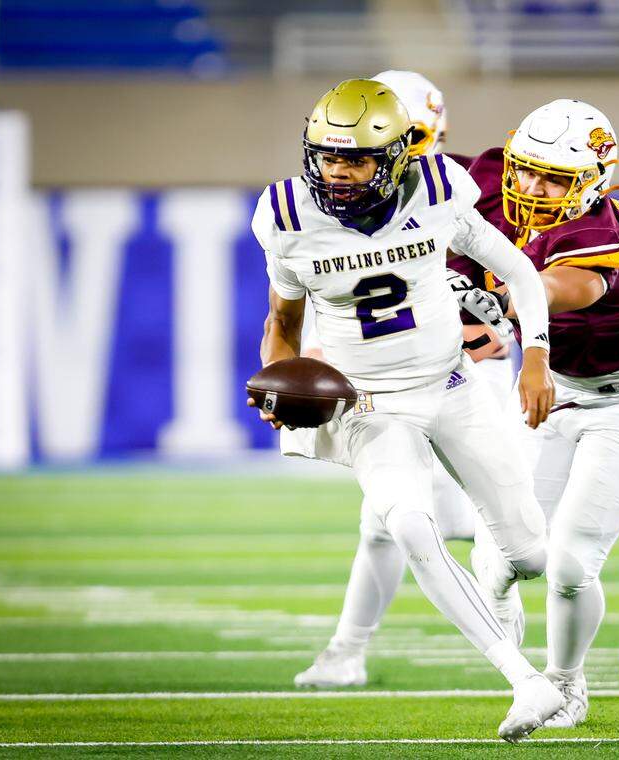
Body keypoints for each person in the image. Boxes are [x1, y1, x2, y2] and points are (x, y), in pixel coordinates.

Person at [248, 79, 564, 741]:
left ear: (395, 157)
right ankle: (524, 680)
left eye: (356, 158)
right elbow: (283, 319)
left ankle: (512, 622)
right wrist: (277, 377)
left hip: (451, 385)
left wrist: (535, 354)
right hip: (365, 402)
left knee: (532, 556)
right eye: (326, 156)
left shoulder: (440, 189)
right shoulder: (286, 214)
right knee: (409, 525)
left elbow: (522, 274)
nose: (336, 172)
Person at [291, 70, 514, 691]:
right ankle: (347, 649)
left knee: (492, 522)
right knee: (386, 520)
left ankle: (513, 645)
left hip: (469, 375)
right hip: (386, 382)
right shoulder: (328, 202)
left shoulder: (466, 184)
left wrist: (511, 325)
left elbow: (526, 267)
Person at [456, 99, 619, 727]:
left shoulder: (599, 233)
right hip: (555, 397)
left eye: (553, 177)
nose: (531, 187)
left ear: (594, 181)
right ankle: (504, 619)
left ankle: (566, 683)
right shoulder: (495, 179)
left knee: (572, 565)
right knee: (502, 553)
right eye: (527, 170)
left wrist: (491, 301)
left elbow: (548, 288)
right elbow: (426, 182)